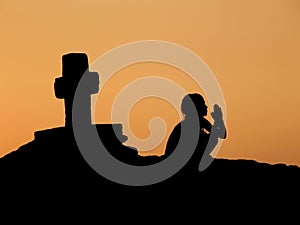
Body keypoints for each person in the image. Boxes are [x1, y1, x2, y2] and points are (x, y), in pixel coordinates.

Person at [164, 93, 227, 169]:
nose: (206, 106)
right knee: (211, 137)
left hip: (185, 160)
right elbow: (217, 135)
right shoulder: (189, 124)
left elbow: (222, 134)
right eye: (203, 104)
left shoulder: (200, 121)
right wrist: (218, 120)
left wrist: (219, 120)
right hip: (180, 162)